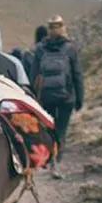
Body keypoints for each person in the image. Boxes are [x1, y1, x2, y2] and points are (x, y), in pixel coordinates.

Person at [30, 15, 83, 178]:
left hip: (46, 96)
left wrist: (33, 97)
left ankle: (49, 159)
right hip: (67, 97)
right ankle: (56, 163)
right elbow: (77, 74)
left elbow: (34, 75)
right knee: (61, 130)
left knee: (48, 128)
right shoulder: (70, 48)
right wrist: (80, 97)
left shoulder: (40, 48)